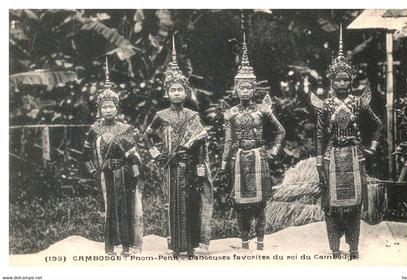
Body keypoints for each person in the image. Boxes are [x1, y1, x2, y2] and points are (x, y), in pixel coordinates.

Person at [311, 25, 384, 260]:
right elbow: (320, 135)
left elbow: (378, 126)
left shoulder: (358, 102)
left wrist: (371, 148)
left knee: (354, 205)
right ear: (331, 81)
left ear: (351, 79)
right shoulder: (325, 105)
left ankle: (354, 248)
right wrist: (318, 162)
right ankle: (334, 249)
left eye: (346, 79)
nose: (342, 83)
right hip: (331, 157)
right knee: (331, 206)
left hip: (355, 157)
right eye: (338, 79)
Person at [144, 35, 213, 257]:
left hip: (191, 165)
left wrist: (201, 163)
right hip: (171, 166)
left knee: (192, 204)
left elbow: (202, 138)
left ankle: (191, 247)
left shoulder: (192, 114)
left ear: (186, 91)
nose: (177, 93)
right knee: (173, 204)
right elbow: (148, 135)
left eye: (180, 89)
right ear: (167, 92)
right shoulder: (160, 115)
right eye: (173, 90)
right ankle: (175, 247)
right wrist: (157, 155)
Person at [220, 34, 285, 250]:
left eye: (249, 88)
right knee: (240, 204)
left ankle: (260, 242)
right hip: (239, 159)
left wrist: (274, 151)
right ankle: (244, 242)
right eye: (241, 88)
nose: (245, 91)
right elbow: (228, 141)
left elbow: (280, 131)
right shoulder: (231, 114)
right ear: (235, 89)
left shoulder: (262, 110)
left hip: (259, 157)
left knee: (260, 204)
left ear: (254, 89)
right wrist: (223, 163)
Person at [82, 58, 144, 257]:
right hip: (106, 175)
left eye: (111, 106)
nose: (108, 110)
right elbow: (85, 154)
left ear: (117, 108)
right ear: (100, 109)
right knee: (110, 210)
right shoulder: (94, 129)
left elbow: (134, 154)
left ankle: (126, 246)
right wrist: (94, 171)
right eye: (104, 107)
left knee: (125, 209)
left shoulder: (126, 129)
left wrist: (135, 175)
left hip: (124, 175)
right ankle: (111, 246)